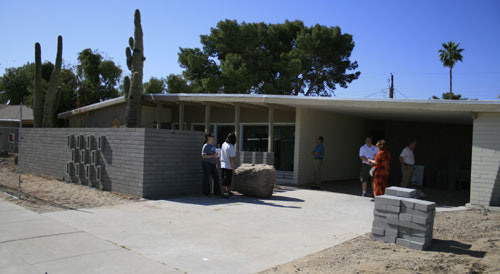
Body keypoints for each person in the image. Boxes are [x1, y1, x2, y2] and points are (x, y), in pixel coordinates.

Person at [220, 132, 237, 198]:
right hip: (228, 166)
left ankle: (229, 192)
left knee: (227, 181)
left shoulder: (224, 144)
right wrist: (233, 168)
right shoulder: (231, 147)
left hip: (223, 164)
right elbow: (231, 159)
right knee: (226, 181)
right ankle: (222, 194)